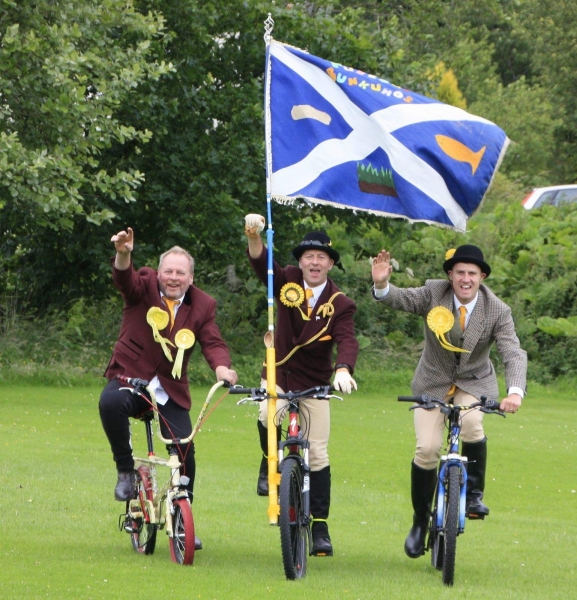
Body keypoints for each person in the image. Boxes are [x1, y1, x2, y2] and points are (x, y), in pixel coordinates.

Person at [371, 244, 527, 559]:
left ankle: (474, 496)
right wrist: (381, 284)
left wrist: (514, 391)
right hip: (433, 382)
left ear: (482, 277)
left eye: (472, 273)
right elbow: (400, 299)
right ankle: (419, 522)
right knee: (427, 449)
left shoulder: (498, 310)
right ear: (450, 275)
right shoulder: (434, 293)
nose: (466, 279)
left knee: (472, 424)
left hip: (474, 381)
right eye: (460, 273)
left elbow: (513, 352)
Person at [99, 227, 238, 549]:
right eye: (169, 271)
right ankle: (125, 472)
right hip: (131, 376)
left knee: (184, 449)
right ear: (159, 273)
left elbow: (213, 342)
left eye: (181, 273)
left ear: (191, 277)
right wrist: (123, 254)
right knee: (110, 404)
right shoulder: (144, 285)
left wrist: (222, 368)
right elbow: (125, 280)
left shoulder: (203, 305)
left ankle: (183, 515)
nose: (174, 278)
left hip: (169, 388)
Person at [244, 214, 359, 557]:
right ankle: (268, 462)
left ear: (330, 264)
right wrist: (253, 235)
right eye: (309, 256)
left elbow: (347, 340)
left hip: (314, 383)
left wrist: (343, 368)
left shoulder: (341, 303)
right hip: (279, 373)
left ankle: (320, 526)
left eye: (321, 257)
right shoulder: (286, 280)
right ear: (300, 261)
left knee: (318, 453)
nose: (314, 262)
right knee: (267, 417)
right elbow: (261, 263)